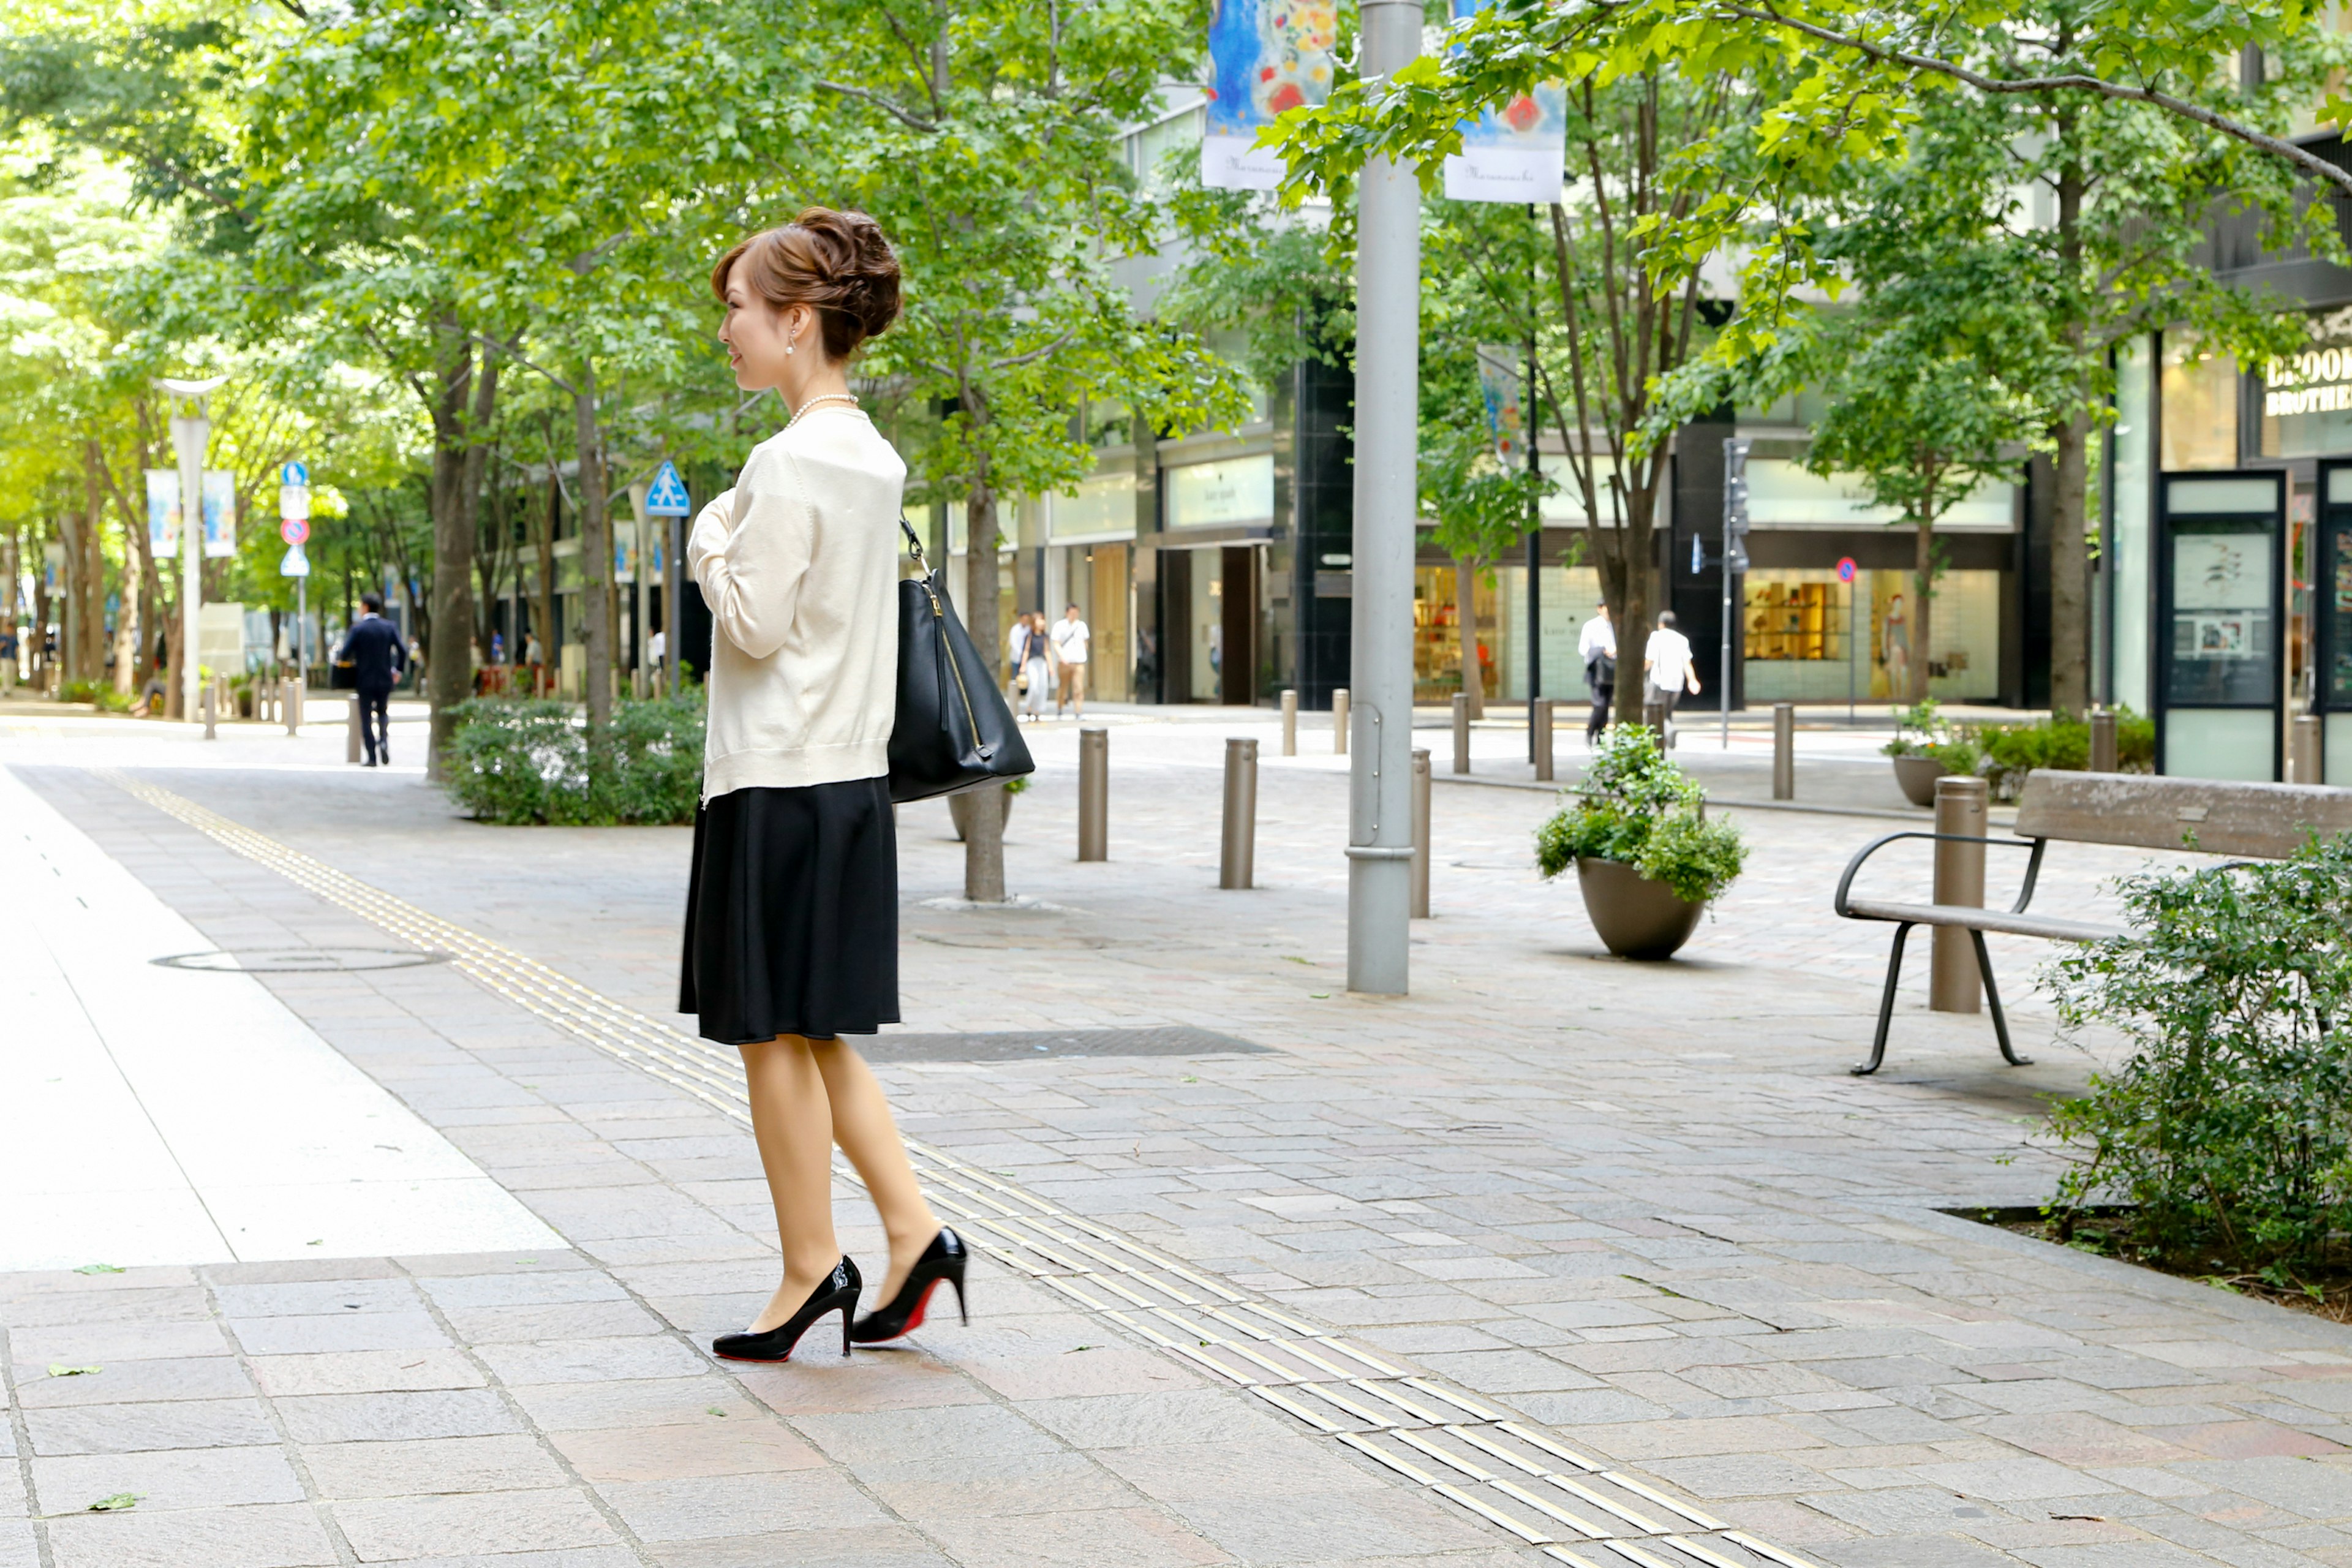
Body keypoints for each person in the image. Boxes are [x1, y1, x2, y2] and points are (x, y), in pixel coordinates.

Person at [684, 206, 962, 1365]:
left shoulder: (786, 461)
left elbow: (751, 624)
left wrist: (708, 536)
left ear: (800, 323)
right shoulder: (875, 457)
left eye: (741, 312)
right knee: (819, 1033)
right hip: (847, 785)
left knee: (771, 1038)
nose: (730, 334)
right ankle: (914, 1230)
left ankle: (812, 1268)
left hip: (775, 777)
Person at [336, 591, 407, 765]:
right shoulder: (389, 627)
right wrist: (397, 671)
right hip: (385, 678)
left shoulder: (358, 629)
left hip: (364, 679)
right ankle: (383, 740)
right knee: (383, 712)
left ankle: (372, 757)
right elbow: (403, 651)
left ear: (365, 607)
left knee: (366, 718)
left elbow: (344, 654)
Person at [1642, 609, 1701, 745]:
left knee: (1653, 711)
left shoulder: (1656, 637)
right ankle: (1665, 738)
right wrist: (1692, 680)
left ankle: (1667, 732)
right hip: (1676, 684)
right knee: (1667, 712)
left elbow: (1649, 661)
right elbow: (1687, 663)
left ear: (1661, 624)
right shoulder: (1682, 640)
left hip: (1659, 682)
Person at [1577, 601, 1615, 744]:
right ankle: (1590, 731)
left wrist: (1614, 651)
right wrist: (1602, 651)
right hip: (1596, 671)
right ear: (1599, 609)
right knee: (1599, 704)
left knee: (1606, 705)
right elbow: (1583, 649)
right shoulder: (1591, 626)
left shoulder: (1615, 626)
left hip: (1611, 670)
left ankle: (1601, 735)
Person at [1017, 611, 1052, 721]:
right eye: (1039, 620)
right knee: (1034, 686)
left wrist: (1051, 666)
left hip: (1042, 662)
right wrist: (1023, 665)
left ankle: (1037, 710)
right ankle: (1029, 707)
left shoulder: (1045, 636)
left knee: (1043, 686)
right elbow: (1026, 651)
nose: (1042, 622)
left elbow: (1047, 651)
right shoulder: (1030, 635)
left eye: (1043, 620)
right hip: (1032, 662)